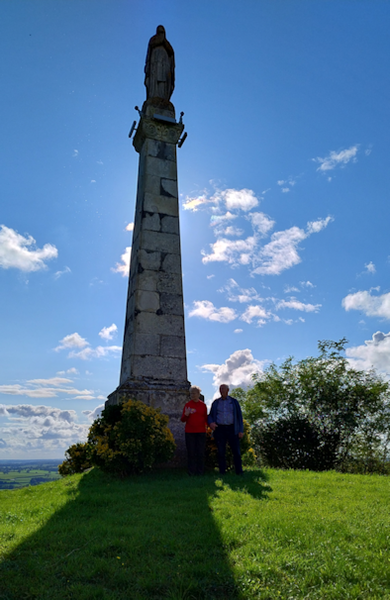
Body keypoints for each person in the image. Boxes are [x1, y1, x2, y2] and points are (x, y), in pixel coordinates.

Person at [208, 384, 244, 475]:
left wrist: (241, 430)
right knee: (221, 451)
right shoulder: (216, 403)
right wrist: (211, 423)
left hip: (232, 428)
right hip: (220, 429)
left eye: (223, 389)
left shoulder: (234, 402)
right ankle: (222, 472)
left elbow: (239, 417)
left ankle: (239, 472)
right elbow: (210, 416)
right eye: (220, 389)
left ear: (228, 390)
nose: (222, 391)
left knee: (236, 451)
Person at [181, 385, 207, 476]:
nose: (192, 395)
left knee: (200, 452)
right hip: (190, 432)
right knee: (191, 452)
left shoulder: (203, 405)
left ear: (198, 394)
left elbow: (205, 418)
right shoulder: (188, 405)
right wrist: (186, 414)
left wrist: (208, 427)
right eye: (191, 393)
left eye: (194, 393)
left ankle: (200, 471)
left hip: (201, 432)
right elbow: (182, 419)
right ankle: (191, 472)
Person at [144, 25, 175, 101]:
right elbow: (150, 50)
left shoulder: (167, 44)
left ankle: (163, 98)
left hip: (165, 66)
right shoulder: (153, 40)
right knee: (155, 80)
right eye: (160, 32)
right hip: (155, 64)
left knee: (164, 81)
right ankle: (154, 97)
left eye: (162, 32)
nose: (161, 34)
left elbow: (171, 53)